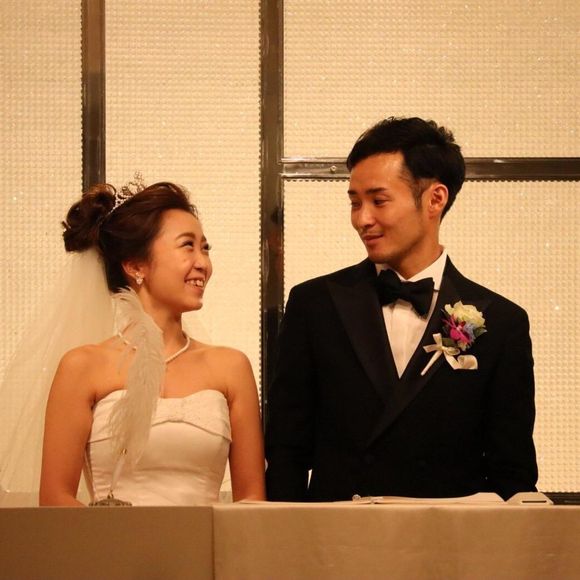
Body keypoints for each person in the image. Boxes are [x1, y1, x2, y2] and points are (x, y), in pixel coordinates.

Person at [265, 116, 538, 502]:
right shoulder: (315, 305)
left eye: (378, 201)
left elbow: (513, 473)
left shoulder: (501, 323)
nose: (362, 219)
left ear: (435, 199)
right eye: (355, 202)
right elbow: (286, 452)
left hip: (449, 536)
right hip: (334, 534)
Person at [35, 178, 265, 506]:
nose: (203, 263)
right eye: (187, 246)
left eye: (205, 248)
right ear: (135, 265)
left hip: (205, 540)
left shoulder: (231, 367)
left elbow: (252, 500)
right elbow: (55, 499)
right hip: (110, 540)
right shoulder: (82, 366)